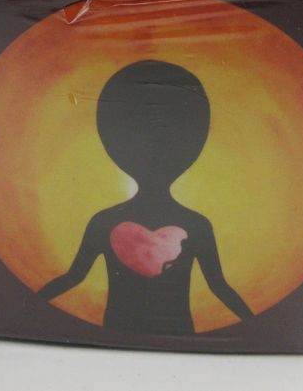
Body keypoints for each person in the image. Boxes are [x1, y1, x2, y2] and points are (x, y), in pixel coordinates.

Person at [38, 60, 253, 334]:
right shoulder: (195, 224)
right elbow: (219, 286)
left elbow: (72, 277)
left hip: (150, 335)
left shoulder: (106, 221)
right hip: (134, 336)